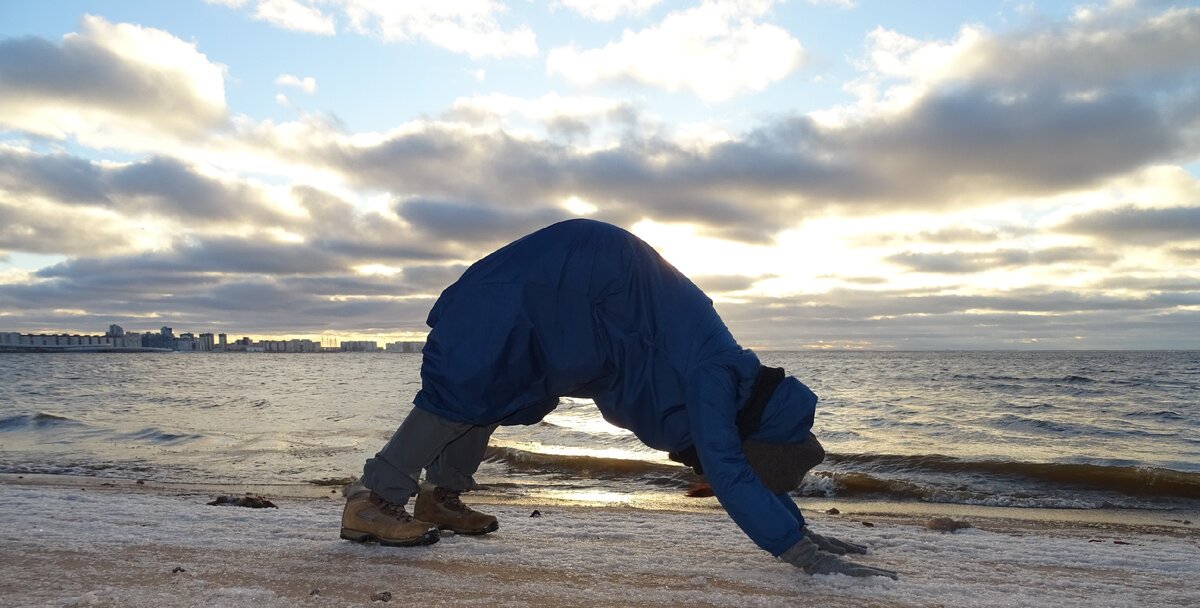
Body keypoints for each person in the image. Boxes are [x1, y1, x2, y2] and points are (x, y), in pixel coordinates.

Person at [341, 219, 897, 579]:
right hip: (536, 292)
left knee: (495, 389)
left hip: (576, 294)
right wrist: (800, 552)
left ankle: (440, 498)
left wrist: (801, 530)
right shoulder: (715, 378)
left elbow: (745, 463)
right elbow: (732, 469)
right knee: (464, 389)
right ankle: (373, 501)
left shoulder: (731, 373)